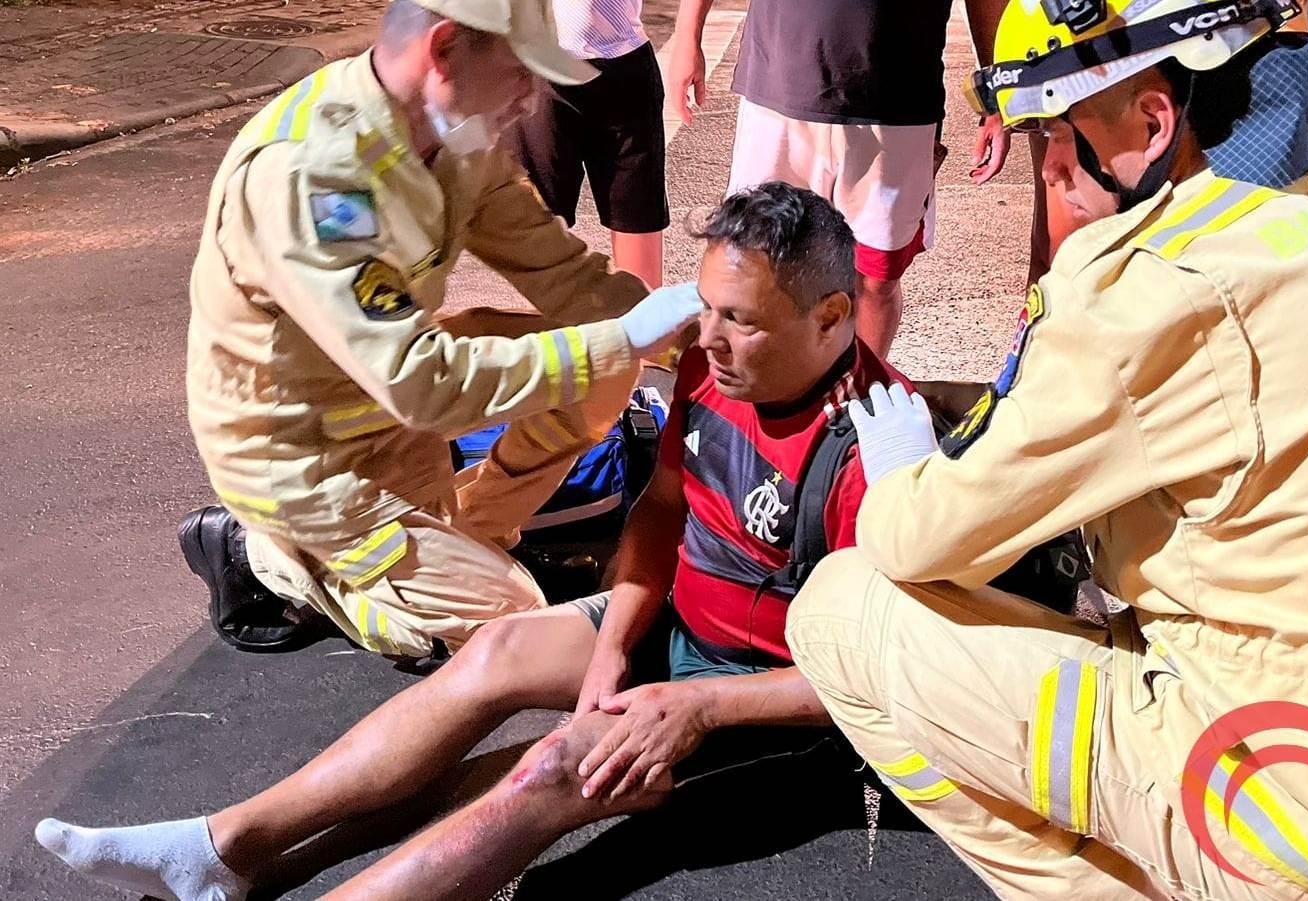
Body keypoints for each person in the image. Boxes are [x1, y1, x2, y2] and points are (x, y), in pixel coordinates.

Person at [785, 1, 1308, 898]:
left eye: (1057, 134)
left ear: (1153, 123)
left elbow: (921, 540)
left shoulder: (1153, 285)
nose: (1051, 169)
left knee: (841, 611)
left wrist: (897, 474)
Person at [36, 182, 913, 901]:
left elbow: (878, 674)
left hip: (766, 696)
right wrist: (613, 647)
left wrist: (699, 707)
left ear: (833, 315)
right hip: (678, 627)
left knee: (545, 771)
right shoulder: (712, 368)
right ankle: (220, 850)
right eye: (707, 309)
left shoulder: (872, 450)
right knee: (494, 652)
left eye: (742, 321)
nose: (707, 337)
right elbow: (660, 507)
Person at [173, 0, 706, 660]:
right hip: (300, 452)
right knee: (510, 630)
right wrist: (625, 338)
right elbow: (419, 382)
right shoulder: (314, 175)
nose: (533, 96)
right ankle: (268, 556)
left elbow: (566, 275)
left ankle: (476, 539)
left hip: (385, 412)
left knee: (604, 359)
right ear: (445, 48)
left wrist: (697, 343)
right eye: (520, 71)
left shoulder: (452, 137)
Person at [667, 0, 1010, 355]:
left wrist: (995, 90)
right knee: (754, 265)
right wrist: (687, 38)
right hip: (778, 86)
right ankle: (764, 402)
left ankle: (858, 394)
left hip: (898, 97)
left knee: (876, 279)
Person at [515, 0, 669, 288]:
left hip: (625, 59)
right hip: (543, 65)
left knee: (640, 262)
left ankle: (643, 328)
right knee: (541, 238)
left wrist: (688, 38)